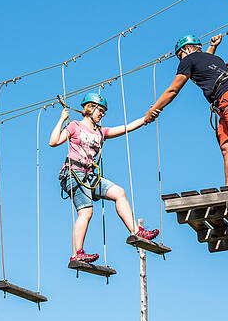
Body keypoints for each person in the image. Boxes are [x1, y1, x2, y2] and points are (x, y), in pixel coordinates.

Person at [144, 34, 228, 186]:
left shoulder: (188, 59)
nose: (180, 59)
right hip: (224, 102)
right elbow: (202, 61)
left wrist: (153, 110)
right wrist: (213, 46)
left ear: (187, 49)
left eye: (180, 55)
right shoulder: (213, 59)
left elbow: (173, 90)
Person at [49, 92, 160, 263]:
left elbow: (126, 128)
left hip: (90, 175)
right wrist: (62, 119)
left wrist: (145, 119)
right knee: (86, 212)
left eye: (103, 111)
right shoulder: (75, 126)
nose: (102, 114)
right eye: (99, 110)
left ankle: (136, 231)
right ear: (89, 108)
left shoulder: (101, 132)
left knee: (119, 192)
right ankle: (76, 253)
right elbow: (53, 141)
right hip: (74, 173)